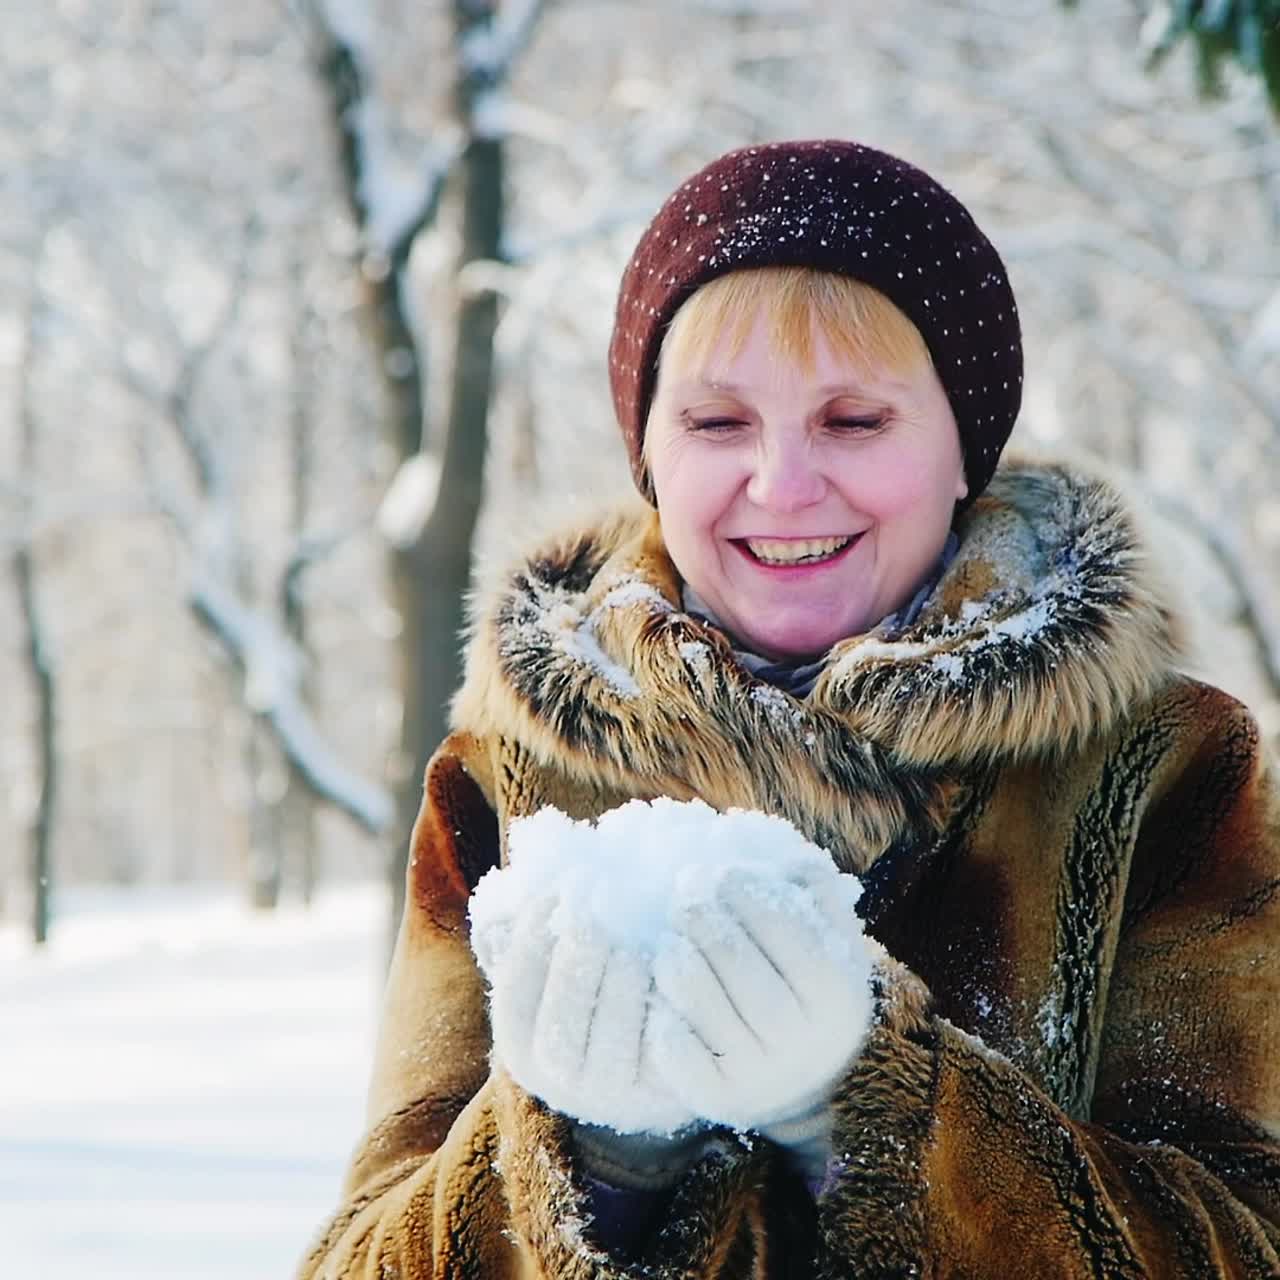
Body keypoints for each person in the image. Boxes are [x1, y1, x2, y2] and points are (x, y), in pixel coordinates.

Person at [298, 140, 1280, 1277]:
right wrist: (584, 1157)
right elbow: (360, 1257)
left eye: (853, 420)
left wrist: (871, 1102)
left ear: (963, 445)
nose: (782, 483)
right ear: (652, 459)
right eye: (717, 424)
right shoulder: (508, 785)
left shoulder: (1158, 770)